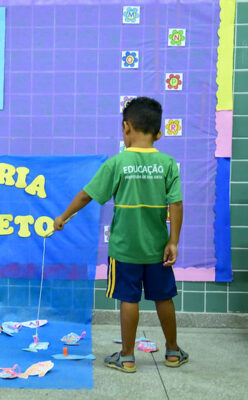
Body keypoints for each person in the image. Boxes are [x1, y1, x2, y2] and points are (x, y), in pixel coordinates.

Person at [53, 97, 188, 373]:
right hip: (158, 248)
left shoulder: (118, 163)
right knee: (164, 297)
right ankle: (173, 352)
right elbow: (176, 204)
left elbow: (87, 195)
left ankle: (127, 357)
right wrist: (173, 241)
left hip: (124, 250)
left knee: (129, 299)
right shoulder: (168, 163)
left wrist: (63, 217)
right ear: (158, 133)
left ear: (126, 127)